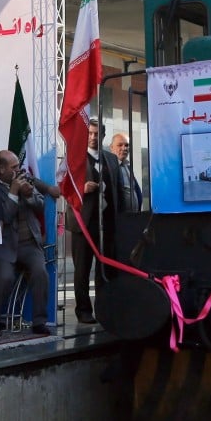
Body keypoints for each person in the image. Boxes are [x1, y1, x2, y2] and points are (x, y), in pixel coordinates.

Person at [0, 150, 52, 335]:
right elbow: (6, 217)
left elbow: (41, 205)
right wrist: (14, 192)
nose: (19, 169)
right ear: (1, 169)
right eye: (14, 167)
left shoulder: (25, 180)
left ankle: (39, 322)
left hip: (29, 243)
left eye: (19, 165)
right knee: (5, 277)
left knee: (40, 273)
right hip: (5, 246)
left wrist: (28, 195)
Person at [65, 118, 119, 324]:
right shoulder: (73, 158)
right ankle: (83, 311)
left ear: (103, 136)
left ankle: (104, 309)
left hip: (107, 223)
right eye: (90, 133)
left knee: (105, 269)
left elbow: (117, 191)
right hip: (83, 224)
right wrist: (81, 189)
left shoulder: (111, 159)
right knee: (82, 271)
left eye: (97, 134)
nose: (94, 137)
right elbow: (63, 188)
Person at [108, 132, 141, 213]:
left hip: (134, 217)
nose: (124, 148)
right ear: (111, 147)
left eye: (126, 145)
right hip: (119, 218)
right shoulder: (108, 168)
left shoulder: (128, 166)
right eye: (120, 145)